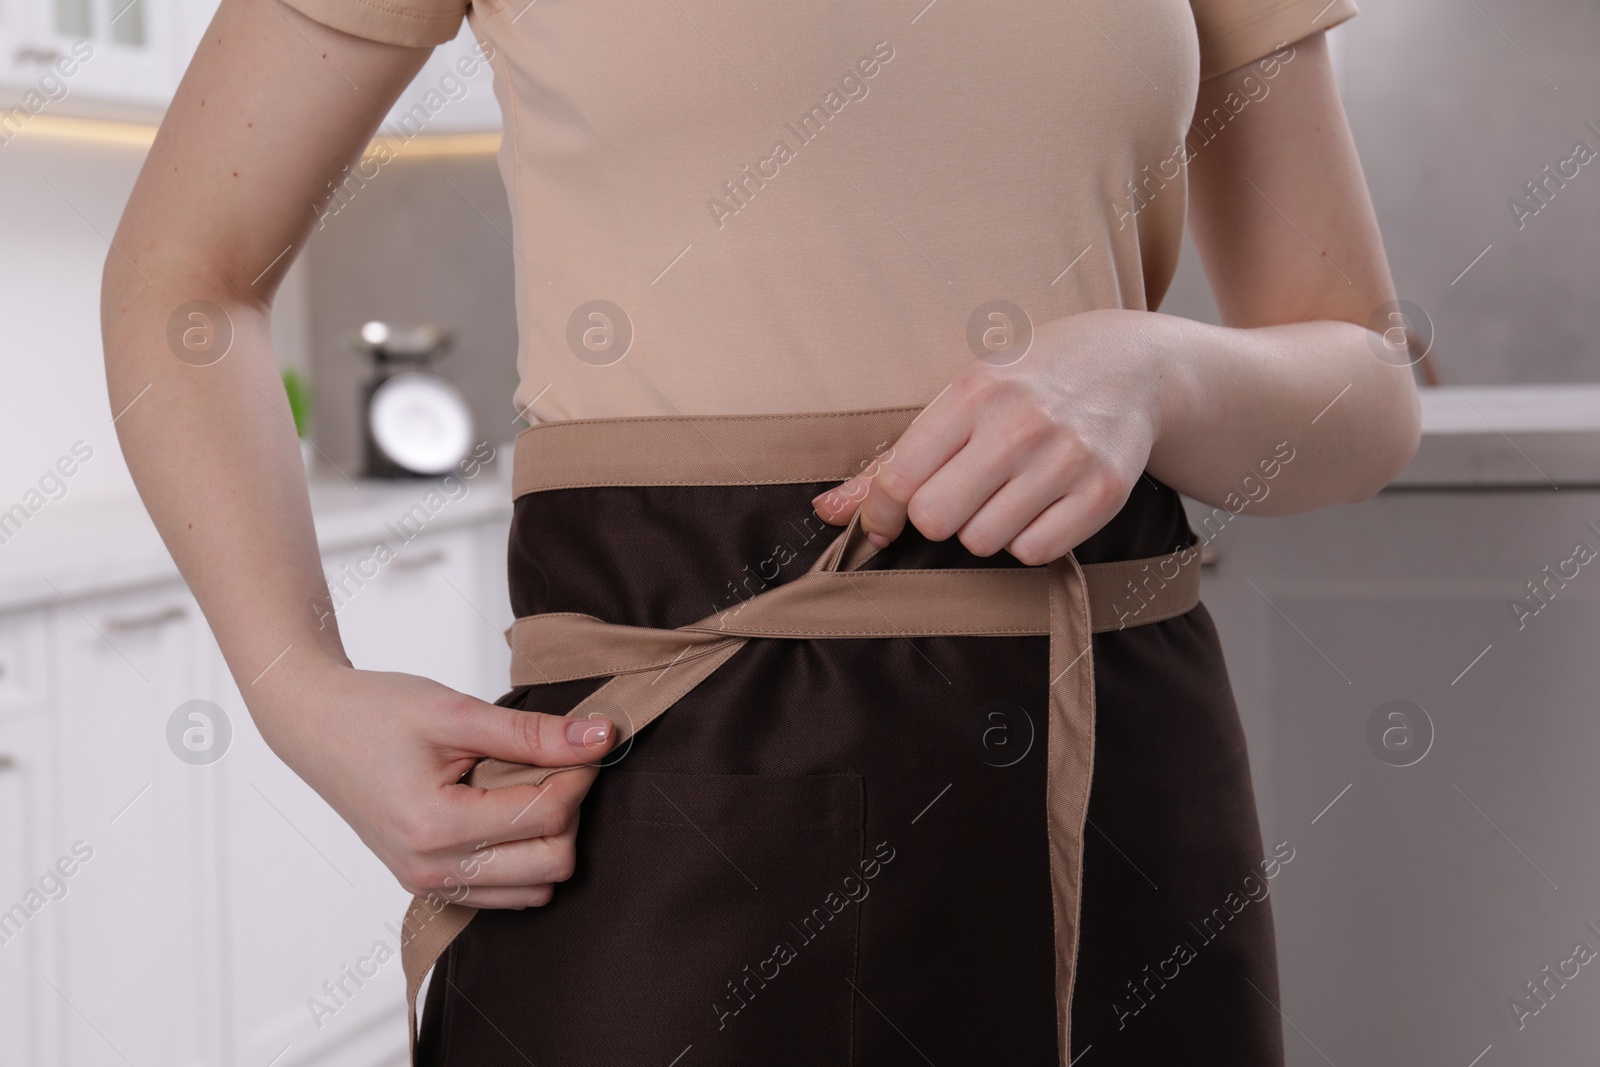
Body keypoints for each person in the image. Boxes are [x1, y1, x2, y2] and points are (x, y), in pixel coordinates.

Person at [102, 0, 1419, 1063]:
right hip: (666, 768)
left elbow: (1366, 390)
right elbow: (189, 278)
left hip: (1105, 759)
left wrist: (1152, 368)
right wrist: (294, 688)